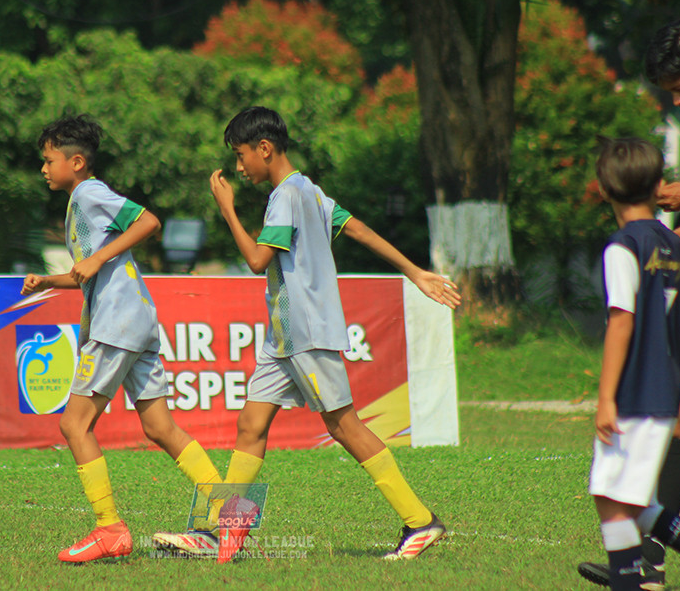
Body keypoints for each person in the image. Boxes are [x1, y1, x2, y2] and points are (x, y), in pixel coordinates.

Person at [154, 106, 461, 563]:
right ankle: (228, 534)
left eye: (241, 156)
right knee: (250, 426)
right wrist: (413, 270)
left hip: (306, 332)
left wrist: (228, 212)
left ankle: (420, 522)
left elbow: (258, 261)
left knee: (343, 425)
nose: (239, 167)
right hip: (283, 338)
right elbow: (356, 228)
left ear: (265, 149)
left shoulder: (285, 196)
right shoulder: (310, 191)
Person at [21, 115, 223, 564]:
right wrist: (49, 281)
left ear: (76, 161)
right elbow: (90, 271)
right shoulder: (79, 202)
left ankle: (109, 528)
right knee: (159, 428)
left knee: (74, 425)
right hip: (137, 320)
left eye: (49, 160)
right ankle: (227, 511)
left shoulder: (90, 193)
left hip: (116, 324)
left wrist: (96, 261)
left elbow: (148, 221)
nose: (44, 168)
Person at [579, 19, 680, 590]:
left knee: (616, 485)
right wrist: (674, 234)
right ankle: (648, 563)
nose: (678, 98)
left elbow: (621, 321)